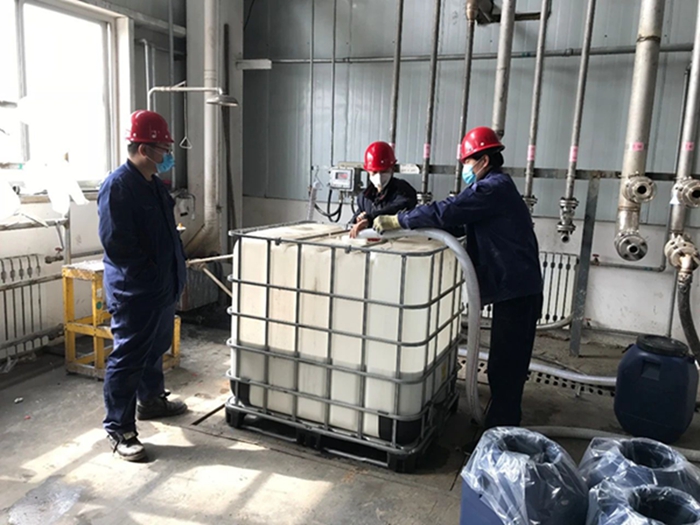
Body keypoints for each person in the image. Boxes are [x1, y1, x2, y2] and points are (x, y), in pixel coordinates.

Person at [373, 126, 543, 429]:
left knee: (506, 367)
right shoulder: (494, 189)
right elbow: (457, 223)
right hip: (515, 287)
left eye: (467, 161)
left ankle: (499, 434)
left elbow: (450, 210)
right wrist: (415, 230)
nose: (465, 167)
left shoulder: (493, 188)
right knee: (504, 365)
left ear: (484, 160)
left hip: (518, 290)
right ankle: (499, 424)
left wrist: (399, 219)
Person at [97, 110, 188, 461]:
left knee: (155, 347)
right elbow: (118, 244)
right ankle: (119, 429)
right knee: (129, 357)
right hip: (136, 291)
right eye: (163, 149)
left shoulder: (153, 184)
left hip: (162, 286)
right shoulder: (118, 186)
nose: (167, 155)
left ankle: (150, 400)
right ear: (143, 149)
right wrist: (150, 277)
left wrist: (172, 276)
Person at [348, 141, 417, 238]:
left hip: (400, 242)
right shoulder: (364, 197)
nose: (379, 176)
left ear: (392, 169)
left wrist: (369, 219)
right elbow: (354, 222)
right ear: (368, 171)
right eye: (374, 172)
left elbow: (396, 208)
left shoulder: (403, 191)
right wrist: (357, 220)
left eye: (384, 171)